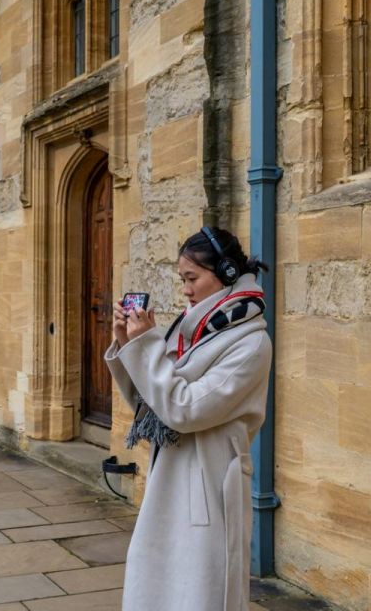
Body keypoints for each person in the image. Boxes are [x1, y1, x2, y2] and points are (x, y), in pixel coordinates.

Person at [104, 227, 273, 611]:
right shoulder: (191, 332)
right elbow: (152, 405)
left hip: (208, 484)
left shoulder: (250, 344)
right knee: (159, 585)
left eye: (192, 278)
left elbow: (184, 409)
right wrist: (128, 343)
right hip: (172, 474)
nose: (185, 289)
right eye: (183, 279)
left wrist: (147, 346)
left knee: (198, 593)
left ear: (227, 273)